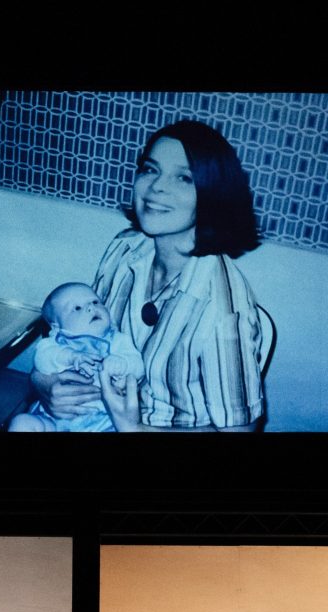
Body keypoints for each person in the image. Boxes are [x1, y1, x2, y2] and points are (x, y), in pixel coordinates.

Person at [31, 120, 265, 432]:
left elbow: (239, 432)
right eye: (150, 170)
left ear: (213, 195)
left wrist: (135, 429)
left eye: (183, 177)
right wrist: (43, 381)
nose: (156, 187)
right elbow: (80, 334)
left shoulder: (223, 308)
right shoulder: (125, 249)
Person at [9, 282, 145, 432]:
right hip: (54, 421)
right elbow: (41, 361)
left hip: (105, 420)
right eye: (77, 308)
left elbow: (138, 366)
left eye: (95, 302)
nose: (91, 307)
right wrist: (70, 356)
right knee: (21, 423)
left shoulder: (118, 340)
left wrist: (122, 363)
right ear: (56, 326)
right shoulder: (54, 343)